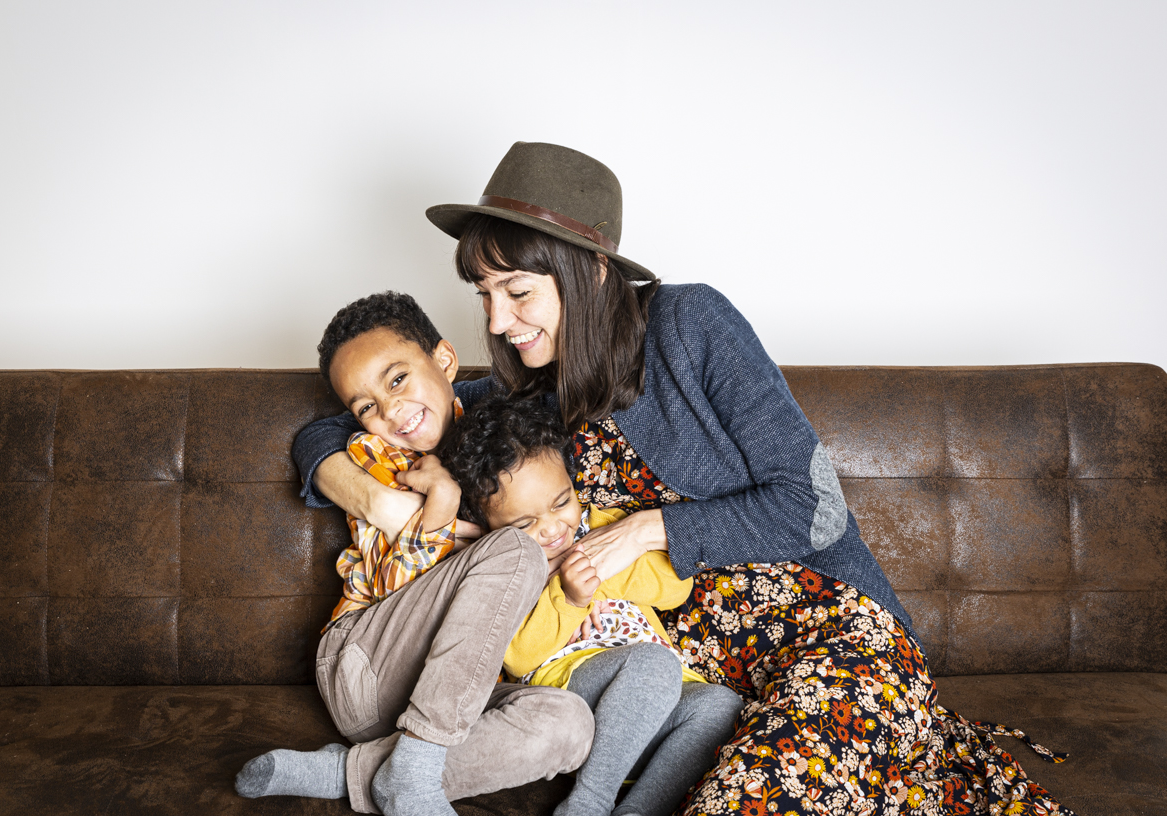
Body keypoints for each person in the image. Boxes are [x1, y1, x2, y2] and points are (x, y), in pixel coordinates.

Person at [293, 142, 1073, 815]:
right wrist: (381, 498)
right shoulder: (527, 395)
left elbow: (816, 508)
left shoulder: (691, 325)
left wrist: (646, 528)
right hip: (684, 667)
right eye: (486, 296)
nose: (497, 322)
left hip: (820, 633)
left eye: (518, 292)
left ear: (592, 271)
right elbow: (330, 426)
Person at [240, 291, 594, 816]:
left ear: (445, 361)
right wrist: (437, 501)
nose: (390, 410)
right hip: (365, 662)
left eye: (398, 379)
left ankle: (352, 771)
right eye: (366, 406)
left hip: (446, 692)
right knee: (517, 549)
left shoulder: (499, 421)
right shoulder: (378, 454)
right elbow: (387, 581)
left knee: (569, 726)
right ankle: (416, 774)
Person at [438, 394, 743, 816]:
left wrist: (598, 569)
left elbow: (676, 589)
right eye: (523, 524)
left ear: (572, 482)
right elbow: (517, 655)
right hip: (575, 694)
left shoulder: (603, 526)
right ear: (488, 525)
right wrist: (570, 597)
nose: (550, 529)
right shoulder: (505, 565)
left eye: (561, 502)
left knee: (722, 705)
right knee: (653, 663)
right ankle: (588, 801)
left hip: (656, 707)